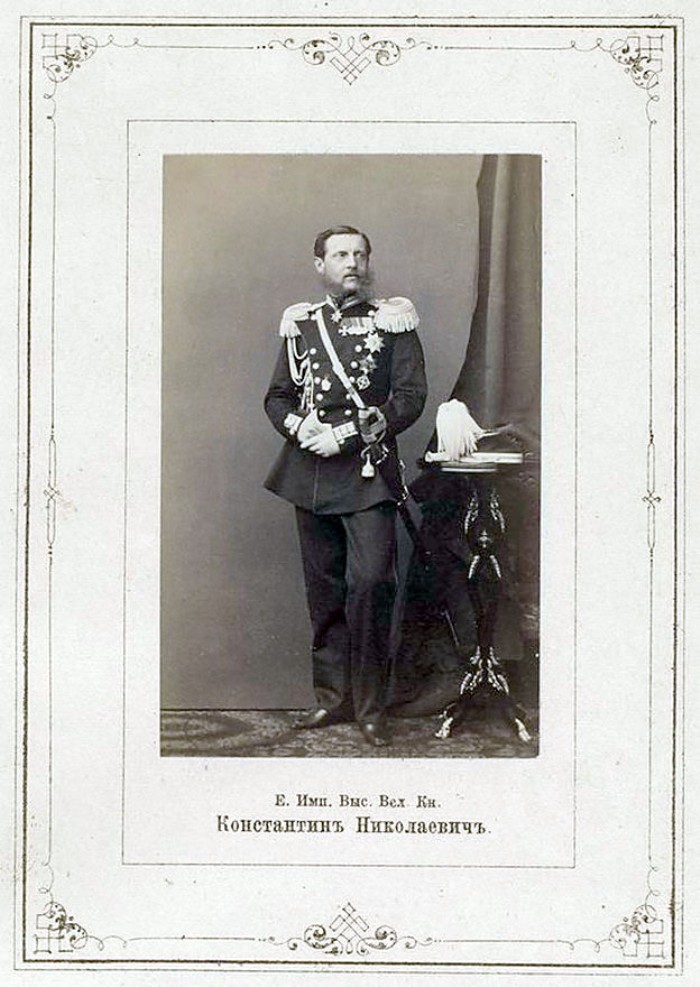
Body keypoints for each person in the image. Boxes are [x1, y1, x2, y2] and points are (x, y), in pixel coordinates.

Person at [263, 225, 427, 747]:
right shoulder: (301, 324)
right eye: (340, 254)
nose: (351, 262)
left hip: (365, 470)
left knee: (372, 583)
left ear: (368, 262)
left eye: (359, 254)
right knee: (325, 590)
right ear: (321, 265)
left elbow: (410, 397)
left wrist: (348, 435)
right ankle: (334, 699)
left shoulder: (393, 320)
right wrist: (299, 428)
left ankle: (372, 707)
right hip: (309, 471)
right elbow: (278, 397)